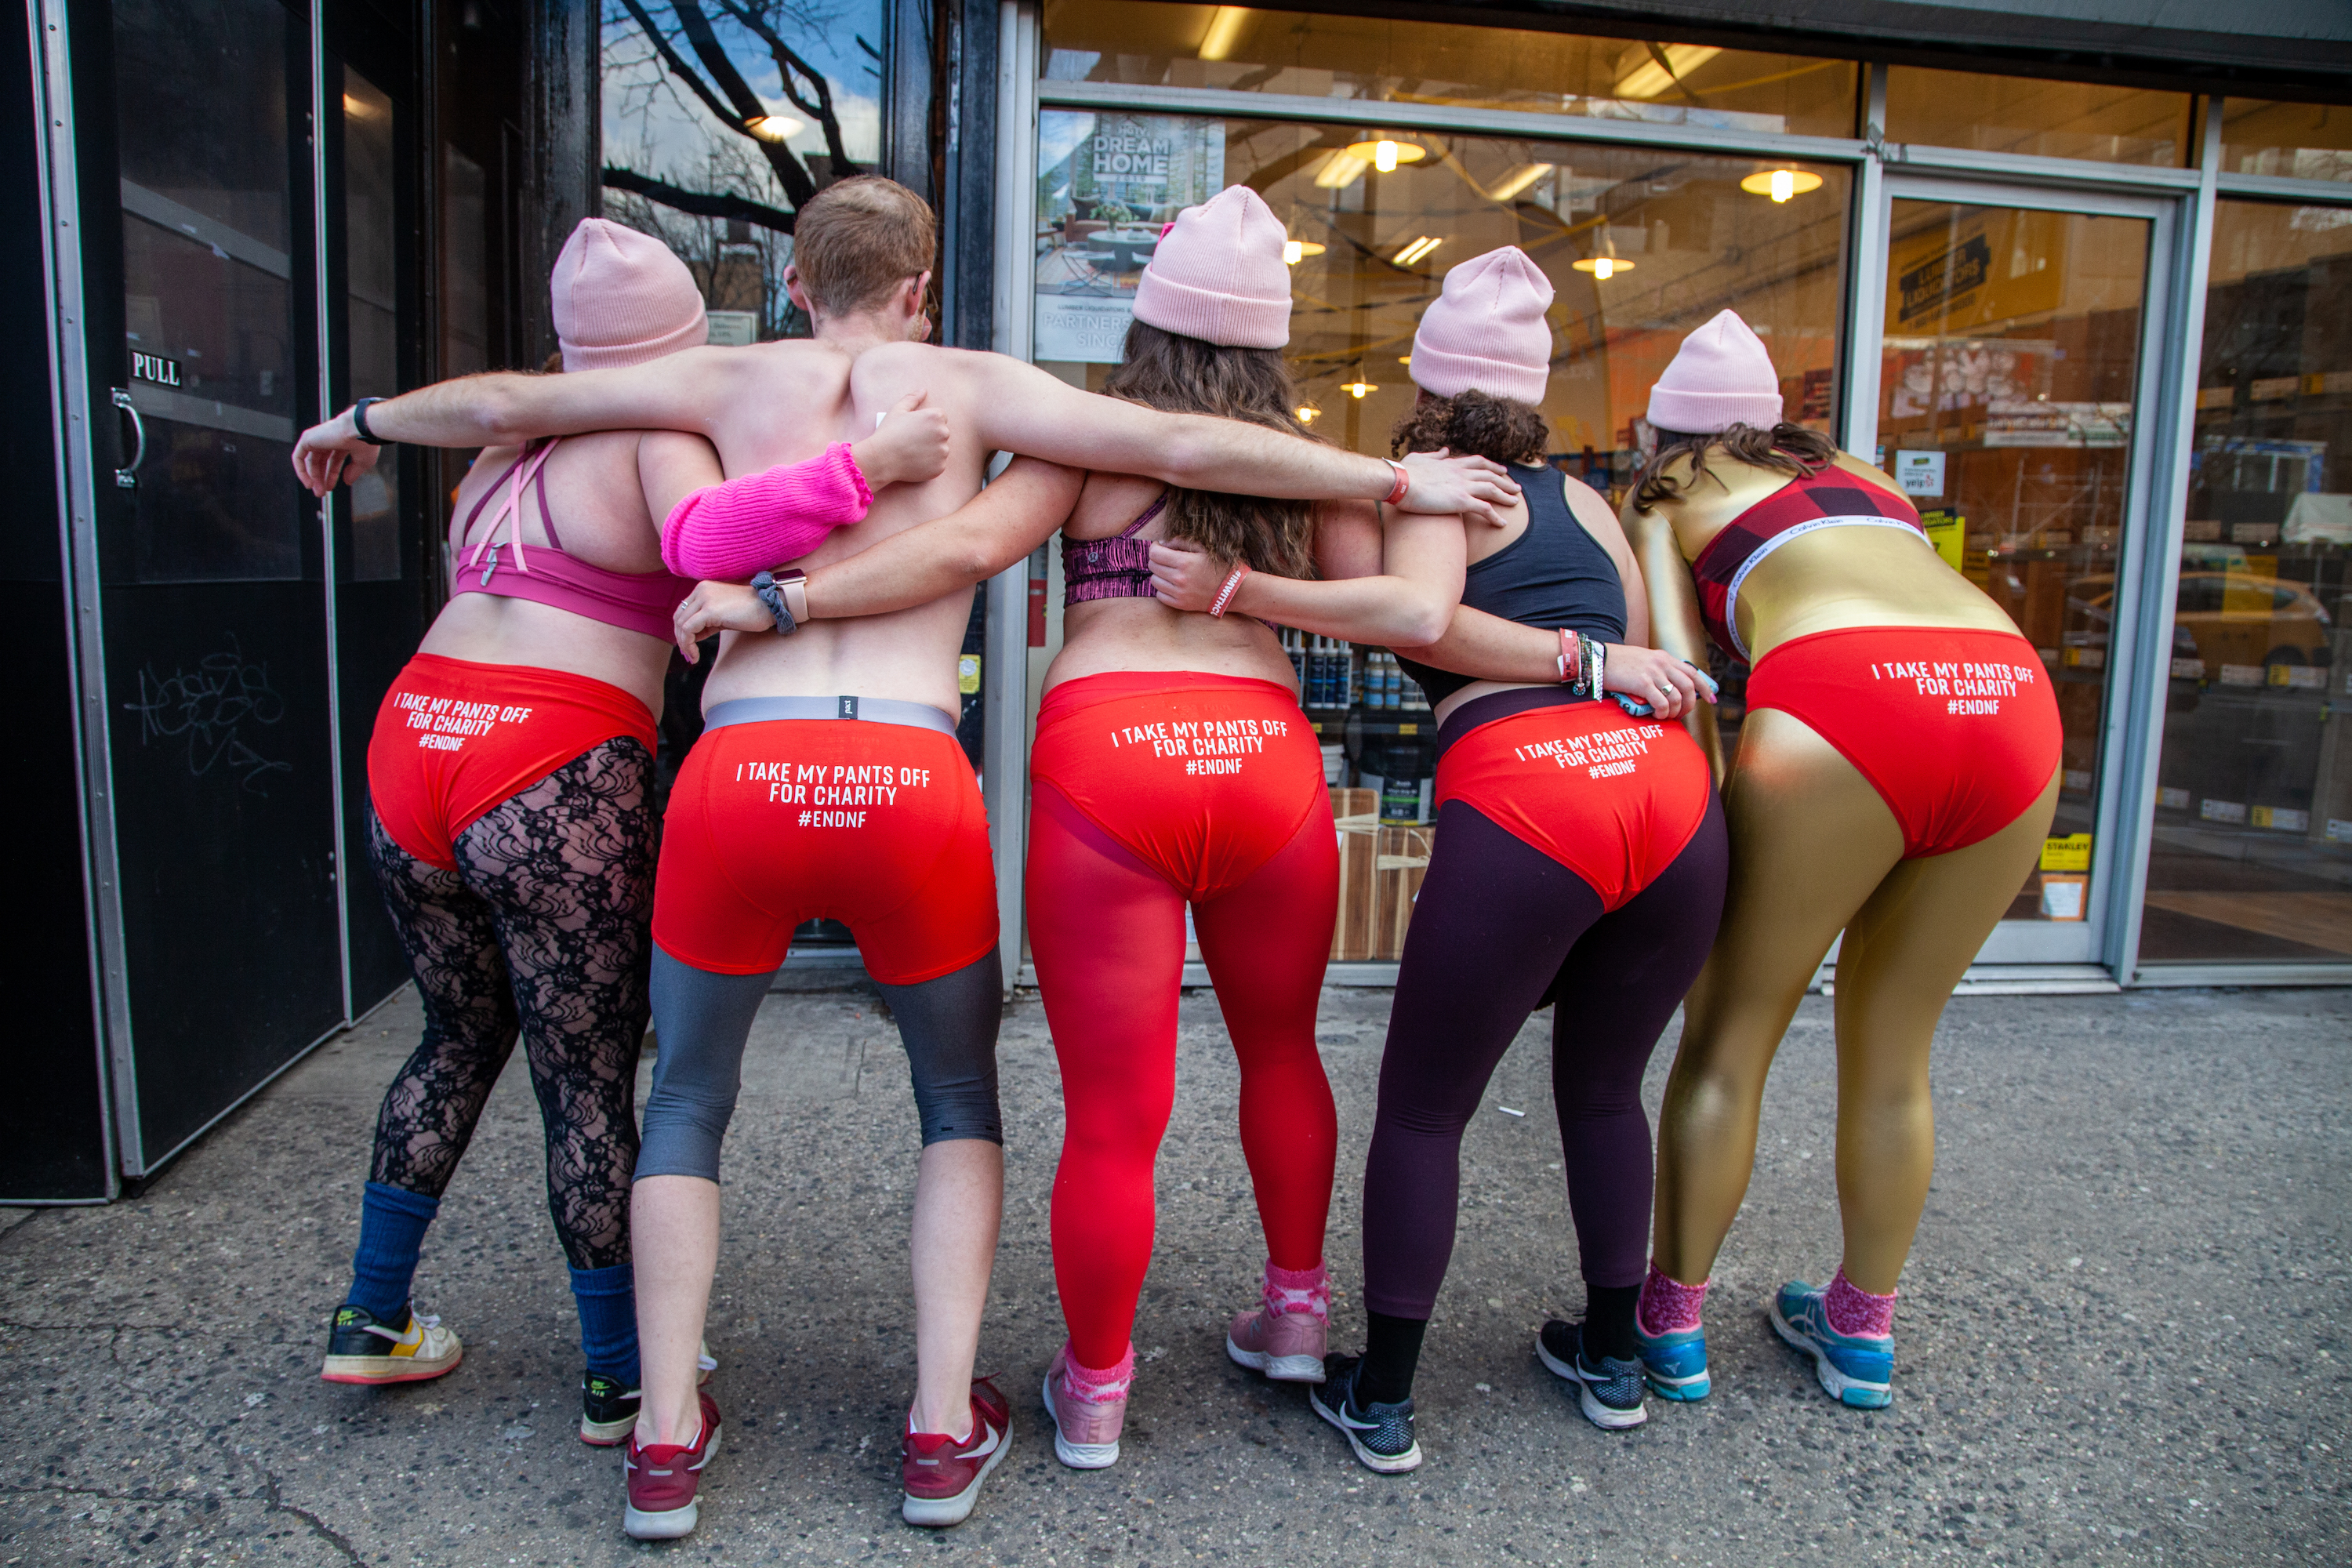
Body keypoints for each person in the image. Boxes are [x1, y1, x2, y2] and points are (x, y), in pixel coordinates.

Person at [290, 176, 1518, 1538]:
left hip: (739, 770)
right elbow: (1185, 444)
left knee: (687, 1099)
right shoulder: (981, 383)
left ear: (797, 283)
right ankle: (944, 1429)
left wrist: (359, 421)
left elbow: (509, 408)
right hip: (920, 778)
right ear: (923, 286)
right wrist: (1391, 476)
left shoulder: (712, 379)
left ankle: (663, 1444)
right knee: (958, 1100)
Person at [670, 185, 1468, 1472]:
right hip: (1262, 758)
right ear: (1271, 340)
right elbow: (1397, 609)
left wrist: (788, 599)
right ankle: (1300, 1319)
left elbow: (963, 550)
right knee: (1283, 1052)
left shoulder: (1088, 442)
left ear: (1145, 327)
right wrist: (1267, 587)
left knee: (1112, 1112)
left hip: (1109, 759)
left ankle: (1095, 1394)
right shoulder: (1305, 459)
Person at [318, 220, 935, 1444]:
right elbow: (717, 540)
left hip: (415, 741)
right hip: (550, 757)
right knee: (591, 1079)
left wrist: (362, 418)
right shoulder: (656, 434)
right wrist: (865, 469)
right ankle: (618, 1376)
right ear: (677, 344)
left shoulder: (499, 442)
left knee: (456, 1037)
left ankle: (372, 1319)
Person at [1153, 248, 1727, 1471]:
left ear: (1422, 379)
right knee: (1604, 1088)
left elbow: (1416, 622)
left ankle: (1388, 1396)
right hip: (1667, 798)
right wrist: (1587, 663)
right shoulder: (1583, 502)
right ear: (1535, 392)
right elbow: (1624, 640)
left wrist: (1238, 586)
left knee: (1423, 1110)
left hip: (1534, 798)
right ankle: (1615, 1360)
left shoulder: (1423, 487)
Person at [1623, 310, 2063, 1411]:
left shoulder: (1664, 490)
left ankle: (1672, 1325)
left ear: (1658, 435)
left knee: (1730, 1033)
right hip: (2010, 694)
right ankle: (1861, 1330)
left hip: (1840, 697)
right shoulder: (1862, 472)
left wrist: (1709, 823)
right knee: (1897, 1045)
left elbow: (1684, 673)